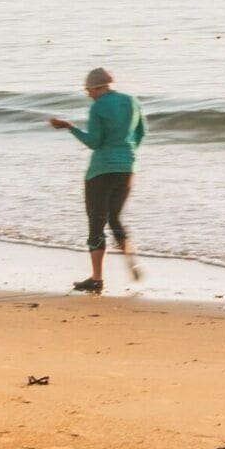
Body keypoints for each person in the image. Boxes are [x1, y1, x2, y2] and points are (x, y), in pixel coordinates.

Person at [48, 67, 146, 293]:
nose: (88, 95)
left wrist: (69, 127)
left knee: (96, 222)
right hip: (127, 167)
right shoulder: (132, 101)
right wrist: (127, 152)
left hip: (101, 171)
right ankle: (132, 260)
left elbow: (93, 142)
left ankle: (96, 278)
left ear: (97, 87)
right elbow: (141, 133)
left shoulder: (98, 107)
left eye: (88, 90)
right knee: (115, 217)